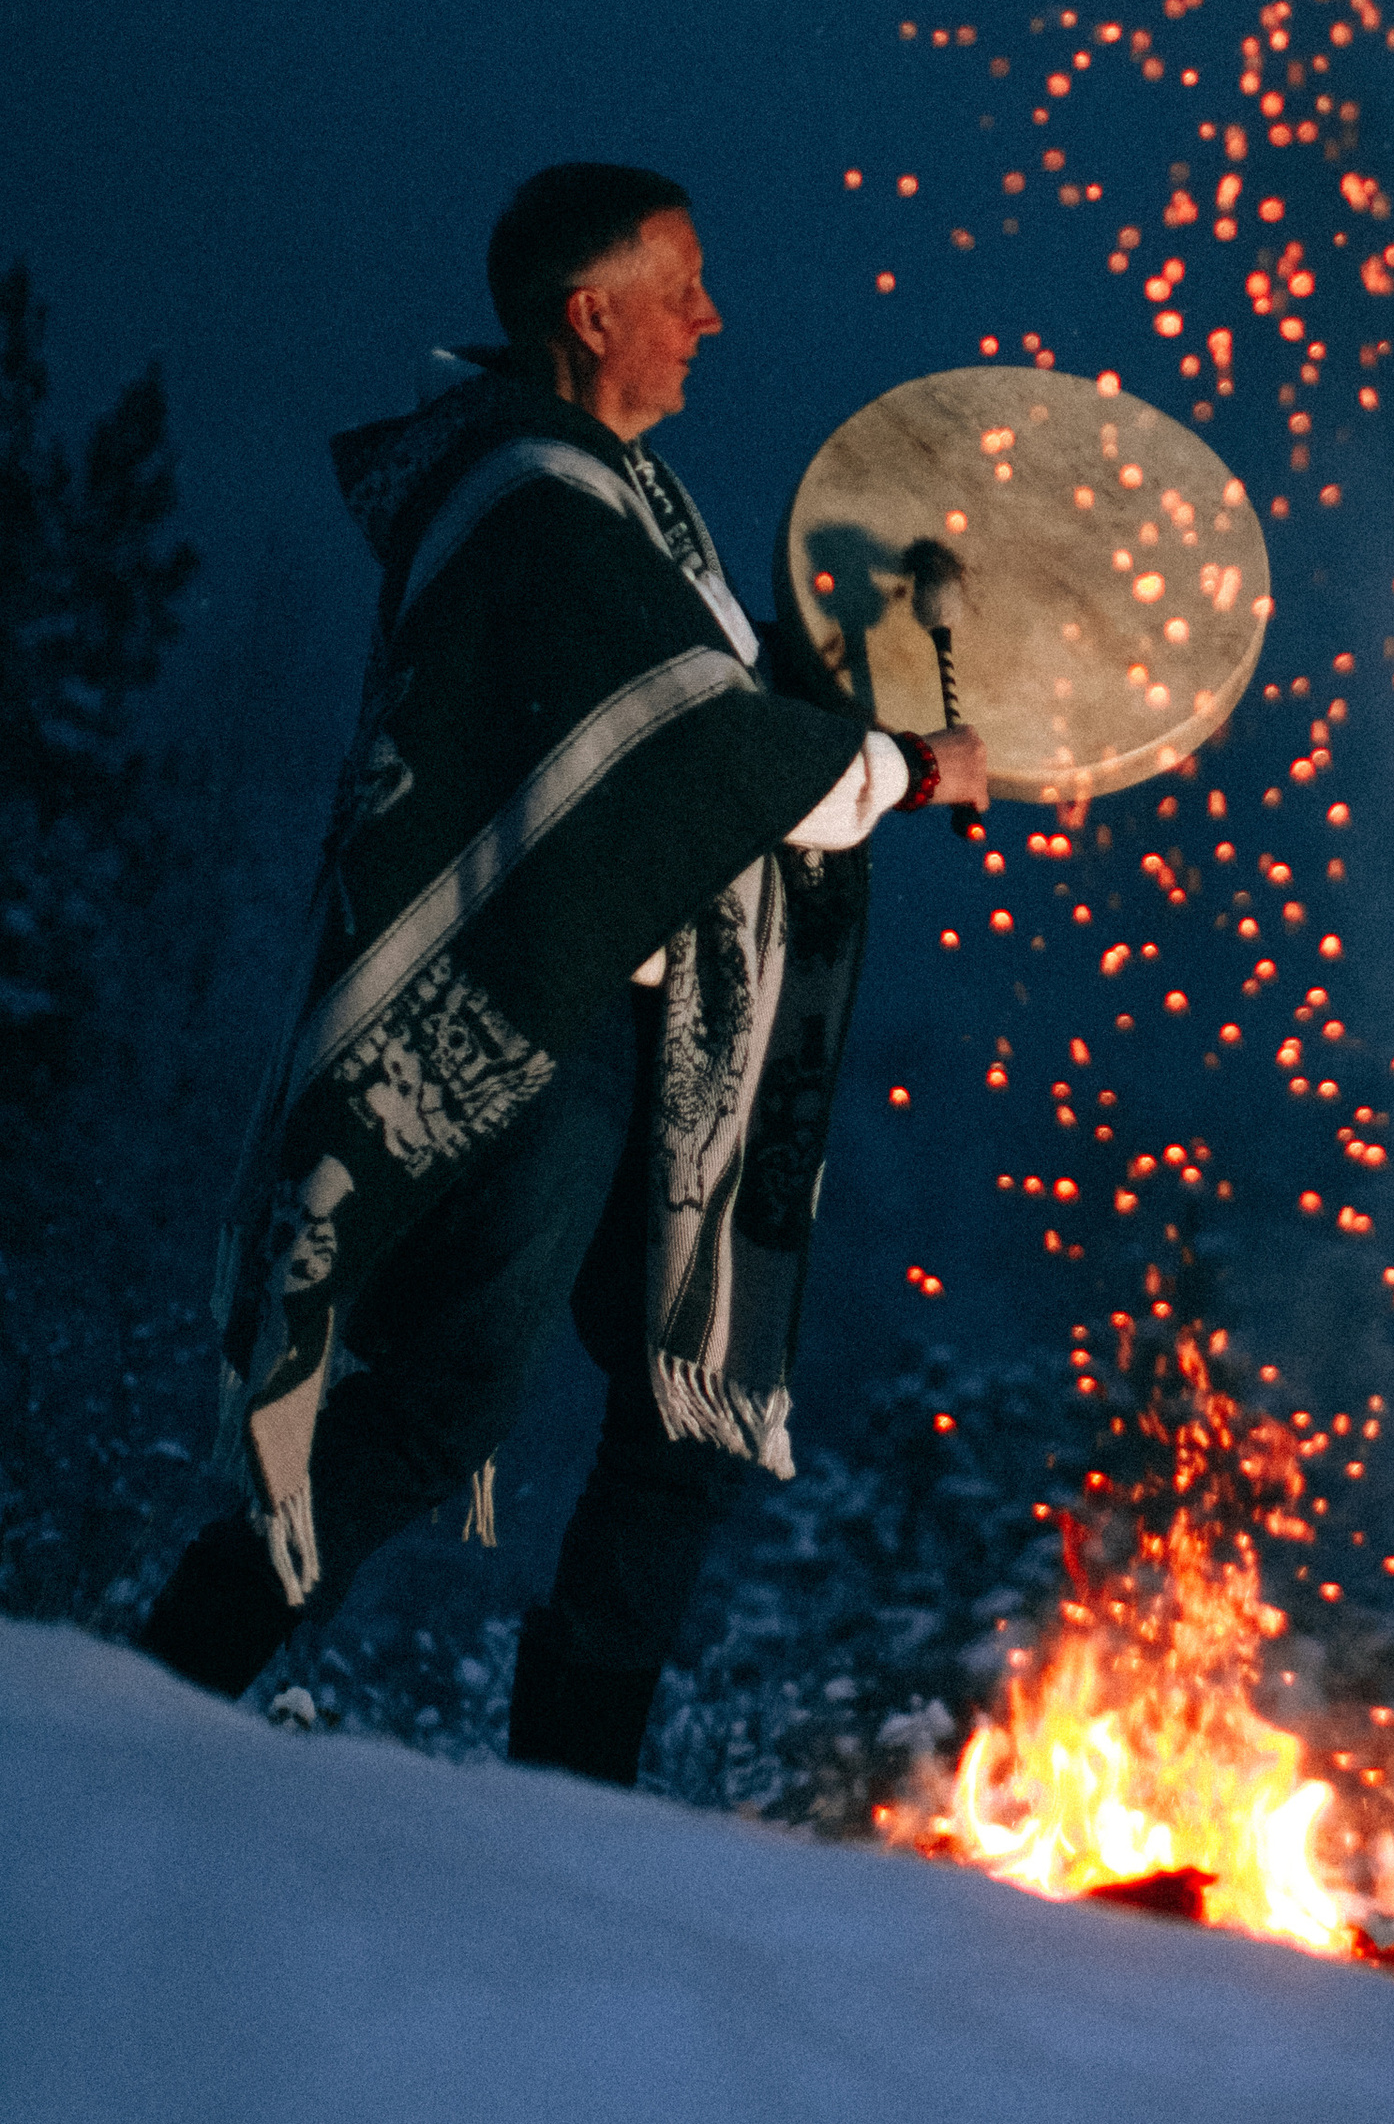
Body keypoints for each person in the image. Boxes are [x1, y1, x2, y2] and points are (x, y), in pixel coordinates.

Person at [138, 163, 986, 1784]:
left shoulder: (629, 507)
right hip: (542, 1010)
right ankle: (153, 1692)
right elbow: (697, 747)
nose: (711, 319)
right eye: (683, 286)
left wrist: (870, 675)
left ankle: (576, 1808)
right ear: (593, 314)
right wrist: (911, 769)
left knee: (684, 1418)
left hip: (661, 1031)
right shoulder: (532, 493)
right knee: (448, 1394)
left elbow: (714, 719)